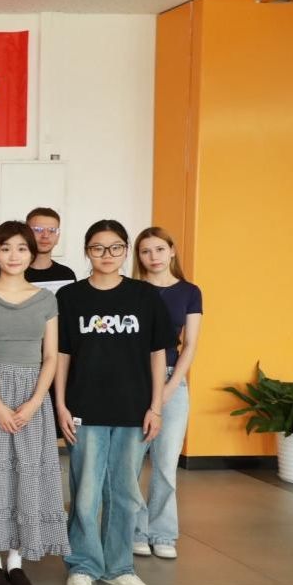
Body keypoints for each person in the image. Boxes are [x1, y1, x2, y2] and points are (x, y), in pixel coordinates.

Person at [55, 219, 175, 585]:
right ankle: (83, 565)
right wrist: (60, 404)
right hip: (84, 407)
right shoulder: (70, 297)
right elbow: (61, 355)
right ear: (87, 251)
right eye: (98, 248)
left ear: (125, 250)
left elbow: (158, 354)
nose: (106, 255)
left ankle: (119, 566)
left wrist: (156, 406)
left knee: (125, 492)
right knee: (85, 492)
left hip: (133, 409)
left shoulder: (145, 296)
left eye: (115, 247)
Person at [0, 221, 69, 585]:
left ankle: (16, 561)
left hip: (31, 393)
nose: (13, 255)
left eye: (21, 248)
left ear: (31, 253)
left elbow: (51, 355)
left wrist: (36, 401)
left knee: (28, 472)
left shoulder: (45, 299)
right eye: (5, 248)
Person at [132, 226, 203, 560]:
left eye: (159, 249)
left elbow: (190, 345)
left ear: (172, 251)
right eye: (146, 251)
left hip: (173, 380)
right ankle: (134, 530)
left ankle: (162, 533)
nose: (154, 257)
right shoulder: (132, 290)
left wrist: (169, 390)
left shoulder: (189, 292)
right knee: (130, 463)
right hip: (135, 381)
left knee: (164, 464)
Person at [25, 207, 77, 285]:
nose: (45, 236)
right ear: (26, 233)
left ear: (58, 237)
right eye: (38, 230)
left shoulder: (67, 275)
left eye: (52, 230)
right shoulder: (12, 273)